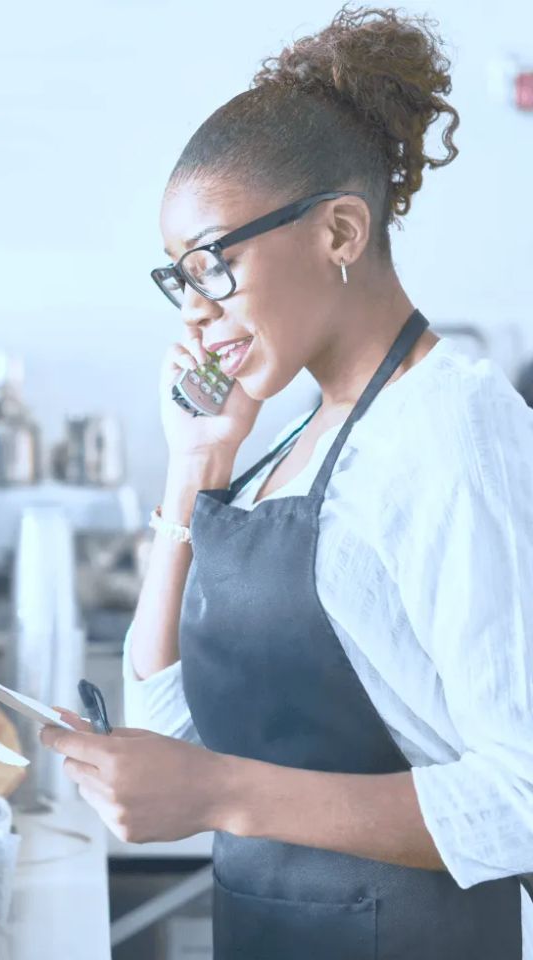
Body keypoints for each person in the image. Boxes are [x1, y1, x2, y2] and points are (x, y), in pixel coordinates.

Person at [40, 6, 533, 958]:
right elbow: (169, 719)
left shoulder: (450, 430)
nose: (196, 315)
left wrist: (221, 793)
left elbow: (521, 797)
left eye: (212, 269)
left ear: (340, 231)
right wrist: (194, 467)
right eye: (177, 282)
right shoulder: (294, 437)